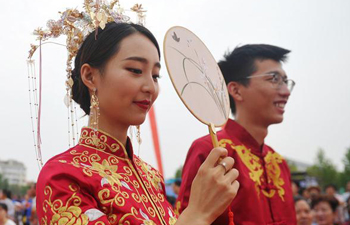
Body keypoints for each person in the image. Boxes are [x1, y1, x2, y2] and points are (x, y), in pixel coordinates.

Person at [34, 11, 240, 225]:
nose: (150, 87)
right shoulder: (63, 176)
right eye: (135, 70)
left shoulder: (152, 177)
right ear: (90, 76)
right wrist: (197, 213)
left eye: (155, 76)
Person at [176, 44, 297, 224]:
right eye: (274, 79)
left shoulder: (278, 162)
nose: (285, 91)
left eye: (285, 81)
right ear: (236, 90)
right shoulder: (211, 150)